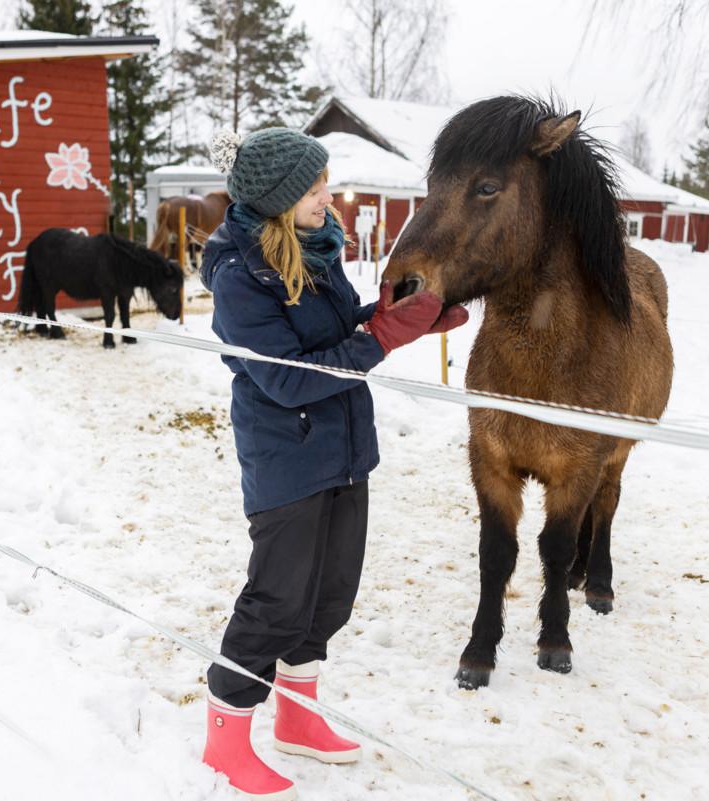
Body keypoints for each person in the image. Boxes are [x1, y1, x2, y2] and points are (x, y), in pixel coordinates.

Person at [198, 127, 468, 800]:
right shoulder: (241, 274)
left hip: (345, 450)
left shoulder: (316, 253)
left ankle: (298, 717)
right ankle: (224, 740)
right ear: (281, 198)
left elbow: (344, 333)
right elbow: (287, 379)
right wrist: (382, 336)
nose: (329, 196)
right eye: (315, 187)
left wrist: (410, 315)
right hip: (286, 459)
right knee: (275, 604)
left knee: (329, 596)